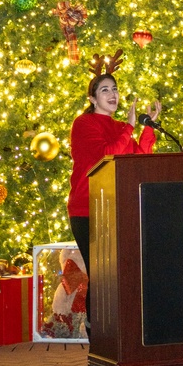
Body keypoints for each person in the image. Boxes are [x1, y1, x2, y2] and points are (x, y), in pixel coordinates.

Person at [67, 53, 160, 327]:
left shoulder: (122, 128)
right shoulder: (83, 124)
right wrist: (129, 128)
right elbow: (104, 158)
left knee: (123, 271)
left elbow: (138, 159)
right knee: (102, 273)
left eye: (115, 89)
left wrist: (146, 129)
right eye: (105, 90)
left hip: (120, 208)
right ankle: (100, 334)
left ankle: (124, 330)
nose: (113, 94)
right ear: (93, 99)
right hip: (89, 209)